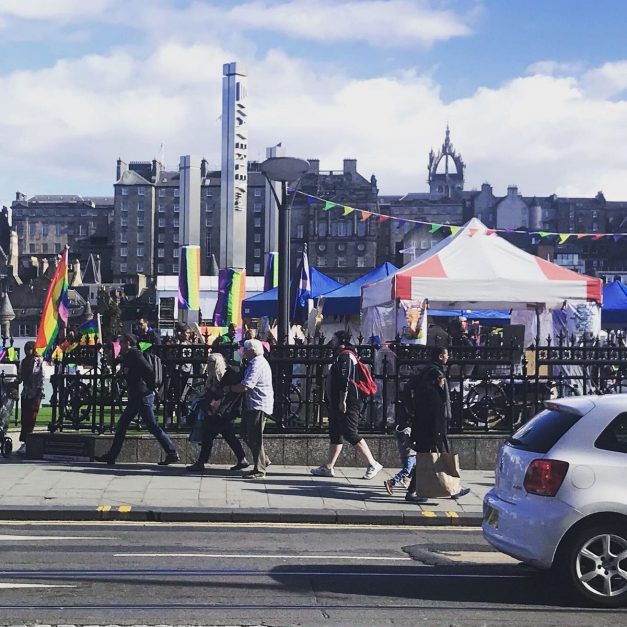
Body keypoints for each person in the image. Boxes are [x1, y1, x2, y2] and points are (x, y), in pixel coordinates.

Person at [95, 333, 178, 466]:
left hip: (142, 396)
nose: (119, 345)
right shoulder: (129, 356)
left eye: (121, 342)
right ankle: (111, 456)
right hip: (136, 397)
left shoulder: (136, 354)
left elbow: (148, 370)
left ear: (128, 343)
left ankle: (172, 452)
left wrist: (148, 387)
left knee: (152, 426)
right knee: (122, 425)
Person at [311, 330, 383, 480]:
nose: (331, 342)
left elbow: (346, 379)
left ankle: (372, 463)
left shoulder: (346, 356)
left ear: (341, 341)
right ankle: (328, 466)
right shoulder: (340, 356)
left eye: (334, 339)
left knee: (350, 432)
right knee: (335, 433)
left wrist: (342, 400)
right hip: (337, 401)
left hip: (348, 400)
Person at [405, 347, 470, 501]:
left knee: (426, 456)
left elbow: (408, 388)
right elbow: (437, 404)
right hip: (434, 424)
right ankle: (451, 489)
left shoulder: (425, 371)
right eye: (447, 354)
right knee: (437, 456)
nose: (449, 357)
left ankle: (452, 489)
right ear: (441, 356)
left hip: (423, 422)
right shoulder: (436, 374)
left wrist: (412, 409)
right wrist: (439, 425)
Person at [186, 352, 249, 472]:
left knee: (208, 436)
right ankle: (242, 459)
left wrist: (208, 394)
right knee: (228, 435)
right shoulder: (213, 375)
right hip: (219, 411)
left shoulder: (221, 376)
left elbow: (221, 392)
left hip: (219, 411)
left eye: (209, 362)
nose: (207, 364)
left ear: (215, 363)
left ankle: (201, 462)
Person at [224, 338, 273, 479]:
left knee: (255, 437)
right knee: (245, 432)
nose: (243, 352)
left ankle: (260, 469)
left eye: (245, 349)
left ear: (252, 351)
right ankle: (263, 459)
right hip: (252, 404)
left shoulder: (257, 364)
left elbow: (246, 386)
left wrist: (229, 388)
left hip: (258, 404)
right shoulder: (254, 363)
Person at [16, 341, 44, 455]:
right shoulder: (23, 362)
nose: (28, 351)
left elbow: (41, 376)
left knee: (32, 417)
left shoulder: (38, 361)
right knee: (24, 417)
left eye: (30, 349)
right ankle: (24, 441)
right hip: (26, 392)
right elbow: (20, 377)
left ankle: (29, 441)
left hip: (35, 392)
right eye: (26, 349)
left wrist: (40, 390)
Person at [383, 422, 416, 495]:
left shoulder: (400, 430)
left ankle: (407, 481)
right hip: (409, 454)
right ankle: (392, 482)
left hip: (408, 454)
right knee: (407, 470)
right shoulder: (407, 431)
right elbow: (409, 443)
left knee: (415, 469)